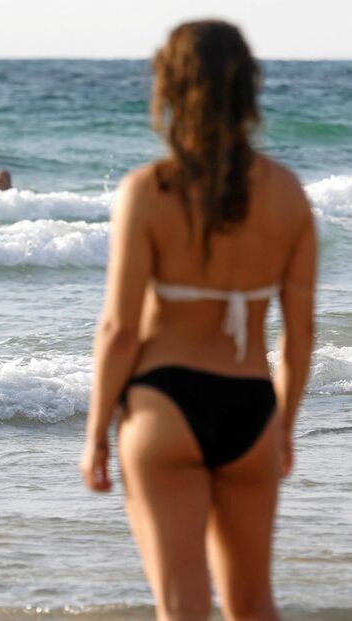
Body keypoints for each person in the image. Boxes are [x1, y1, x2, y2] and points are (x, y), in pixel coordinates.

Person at [80, 21, 316, 620]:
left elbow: (120, 330)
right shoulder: (287, 194)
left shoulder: (148, 191)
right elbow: (299, 337)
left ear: (170, 89)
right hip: (252, 406)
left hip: (164, 407)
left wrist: (96, 435)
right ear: (247, 93)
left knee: (182, 607)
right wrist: (283, 427)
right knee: (254, 605)